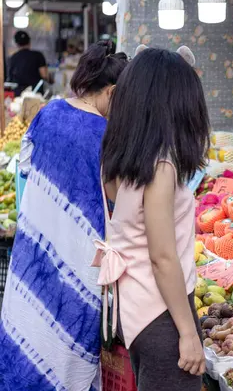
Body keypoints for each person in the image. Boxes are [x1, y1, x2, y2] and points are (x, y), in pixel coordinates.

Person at [0, 40, 128, 391]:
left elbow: (23, 169)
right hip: (79, 263)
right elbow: (118, 202)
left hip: (33, 255)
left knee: (25, 336)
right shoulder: (109, 135)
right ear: (113, 91)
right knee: (68, 355)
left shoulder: (47, 113)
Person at [98, 45, 209, 390]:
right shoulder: (161, 166)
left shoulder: (118, 158)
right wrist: (188, 332)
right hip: (162, 313)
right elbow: (162, 257)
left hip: (135, 308)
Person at [8, 31, 48, 96]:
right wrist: (50, 79)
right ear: (29, 42)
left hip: (18, 94)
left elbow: (10, 77)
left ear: (16, 44)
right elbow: (44, 75)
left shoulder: (13, 57)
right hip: (35, 93)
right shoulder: (38, 55)